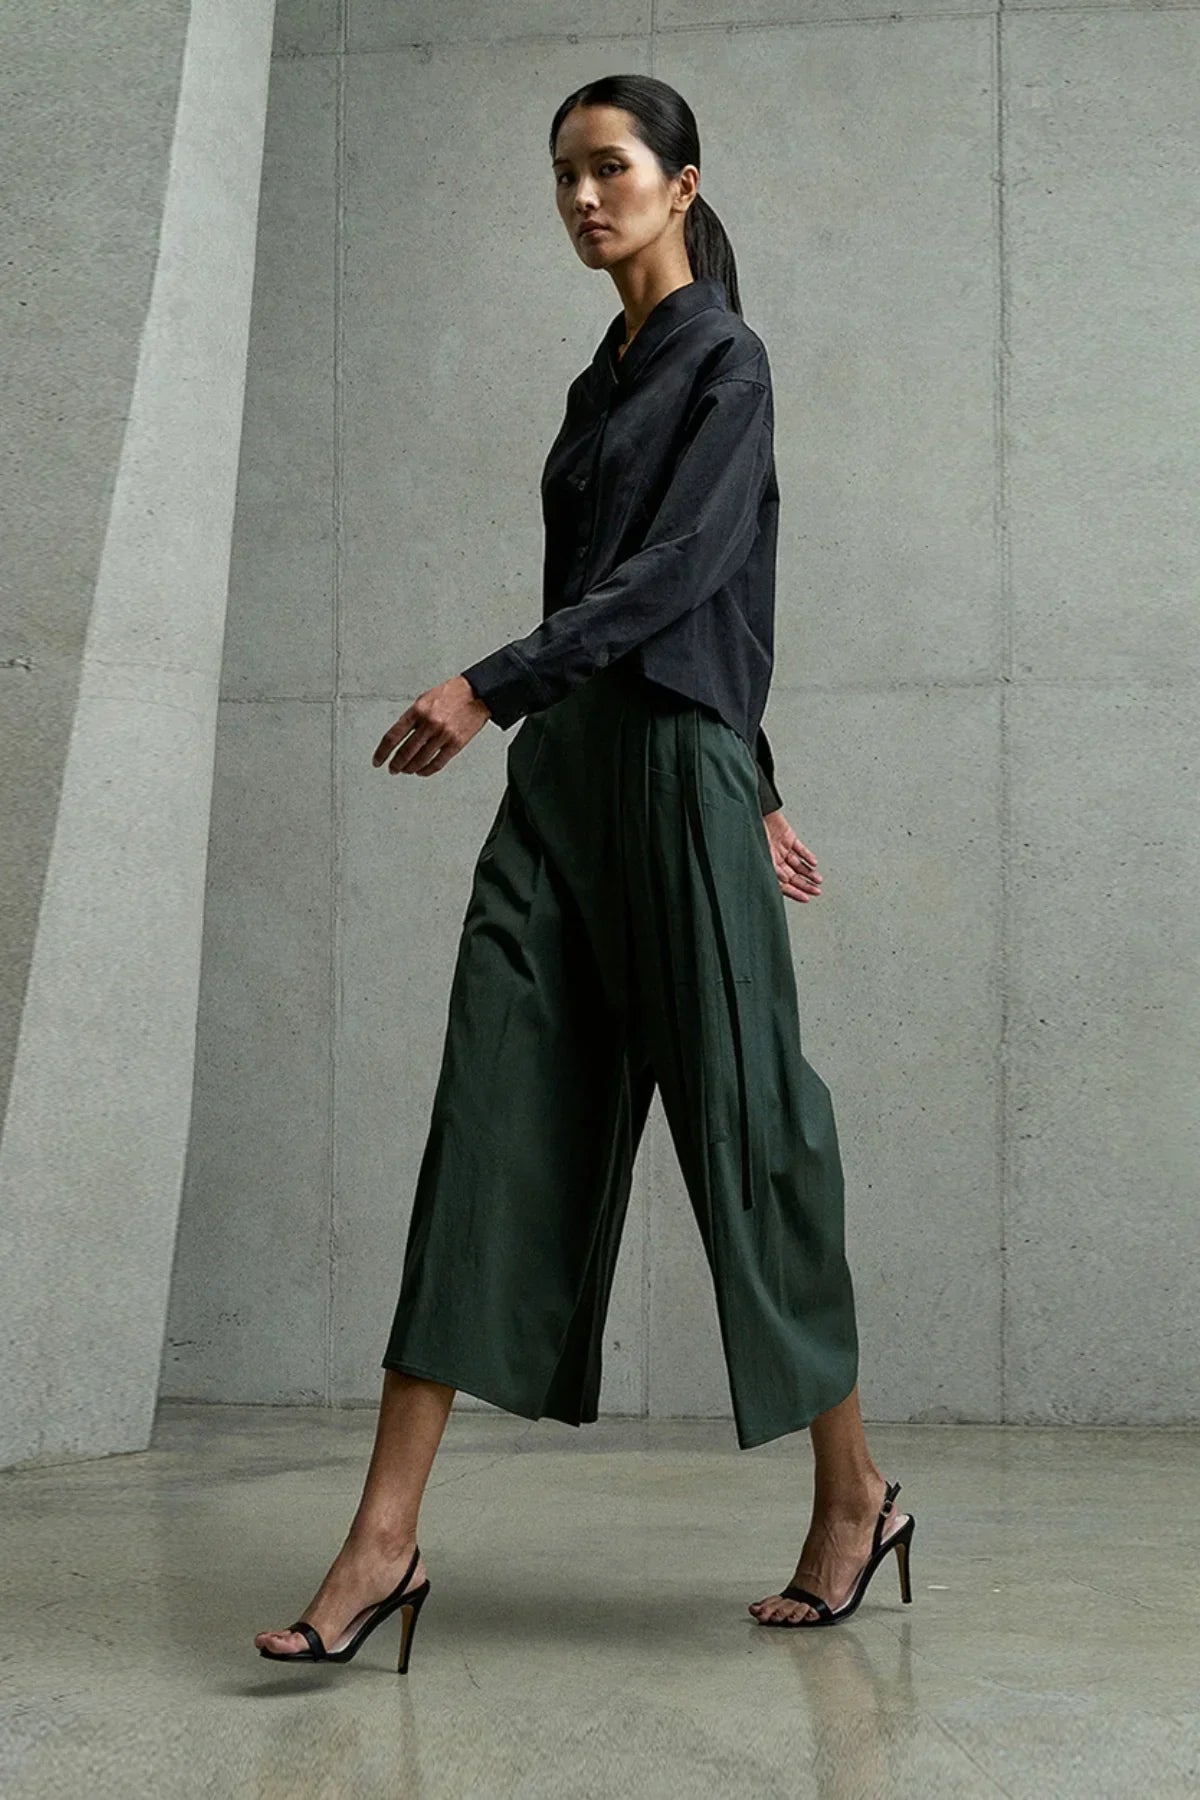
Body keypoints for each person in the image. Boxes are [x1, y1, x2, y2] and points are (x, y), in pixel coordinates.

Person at [255, 73, 914, 1670]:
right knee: (485, 1122)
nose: (582, 196)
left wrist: (715, 769)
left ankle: (855, 1494)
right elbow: (639, 591)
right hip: (566, 782)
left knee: (752, 1134)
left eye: (610, 167)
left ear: (684, 185)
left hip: (669, 779)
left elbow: (697, 574)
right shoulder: (593, 383)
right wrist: (550, 709)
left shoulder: (725, 365)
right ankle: (384, 1540)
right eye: (564, 173)